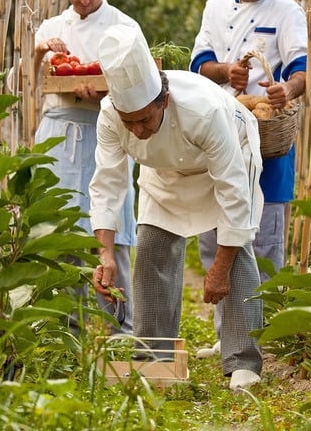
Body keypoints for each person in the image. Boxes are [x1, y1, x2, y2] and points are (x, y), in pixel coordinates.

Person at [89, 24, 265, 391]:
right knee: (151, 249)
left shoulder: (203, 111)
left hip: (224, 162)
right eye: (129, 122)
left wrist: (219, 267)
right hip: (163, 172)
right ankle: (155, 354)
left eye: (144, 119)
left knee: (236, 251)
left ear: (163, 102)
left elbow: (233, 191)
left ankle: (242, 360)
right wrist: (105, 254)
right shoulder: (110, 117)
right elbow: (107, 184)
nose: (137, 131)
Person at [190, 0, 311, 359]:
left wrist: (285, 90)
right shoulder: (215, 7)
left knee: (263, 242)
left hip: (268, 141)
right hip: (221, 136)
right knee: (215, 235)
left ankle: (263, 340)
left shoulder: (288, 10)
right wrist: (226, 71)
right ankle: (227, 335)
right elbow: (199, 63)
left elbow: (302, 69)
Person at [33, 0, 138, 335]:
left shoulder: (125, 27)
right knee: (62, 232)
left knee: (112, 230)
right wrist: (39, 51)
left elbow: (140, 84)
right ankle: (65, 330)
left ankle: (120, 329)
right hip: (59, 135)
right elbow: (31, 81)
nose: (84, 0)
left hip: (106, 130)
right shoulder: (51, 29)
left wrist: (103, 93)